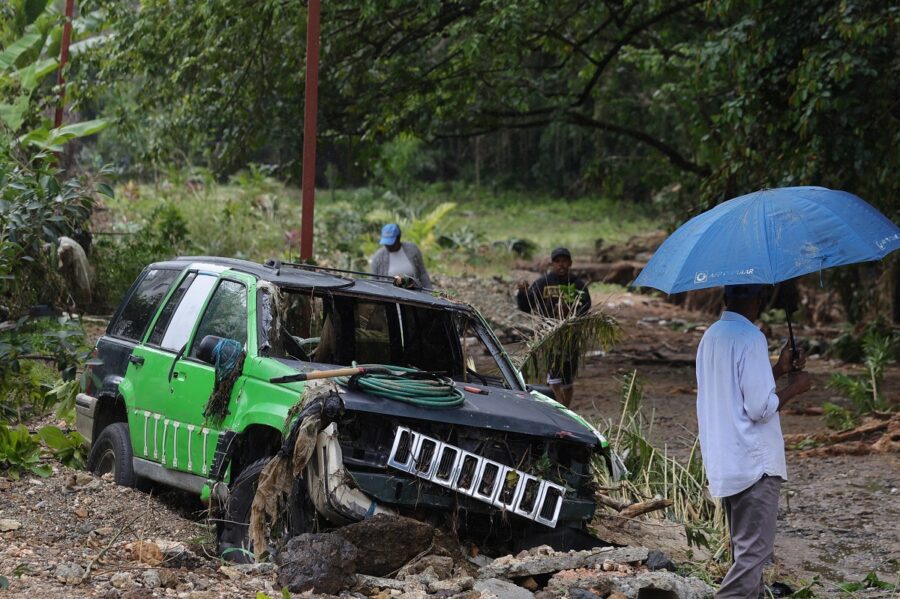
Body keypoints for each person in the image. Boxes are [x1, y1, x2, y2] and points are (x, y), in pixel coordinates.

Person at [695, 284, 811, 599]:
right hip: (754, 465)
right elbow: (759, 408)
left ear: (725, 299)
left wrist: (779, 369)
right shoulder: (751, 338)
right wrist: (795, 388)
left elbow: (736, 392)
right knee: (752, 557)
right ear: (759, 301)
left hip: (726, 463)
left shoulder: (711, 337)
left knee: (745, 553)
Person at [516, 247, 591, 407]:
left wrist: (571, 315)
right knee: (554, 378)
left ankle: (565, 409)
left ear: (570, 263)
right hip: (549, 337)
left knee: (568, 381)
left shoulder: (577, 285)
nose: (561, 265)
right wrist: (522, 293)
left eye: (564, 261)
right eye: (557, 261)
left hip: (570, 338)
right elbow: (526, 307)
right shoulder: (543, 283)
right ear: (552, 264)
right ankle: (563, 411)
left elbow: (586, 306)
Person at [369, 223, 432, 288]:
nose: (388, 246)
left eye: (391, 243)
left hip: (416, 294)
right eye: (386, 243)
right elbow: (373, 282)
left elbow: (423, 274)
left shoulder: (412, 250)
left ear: (398, 238)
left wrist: (430, 292)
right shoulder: (378, 258)